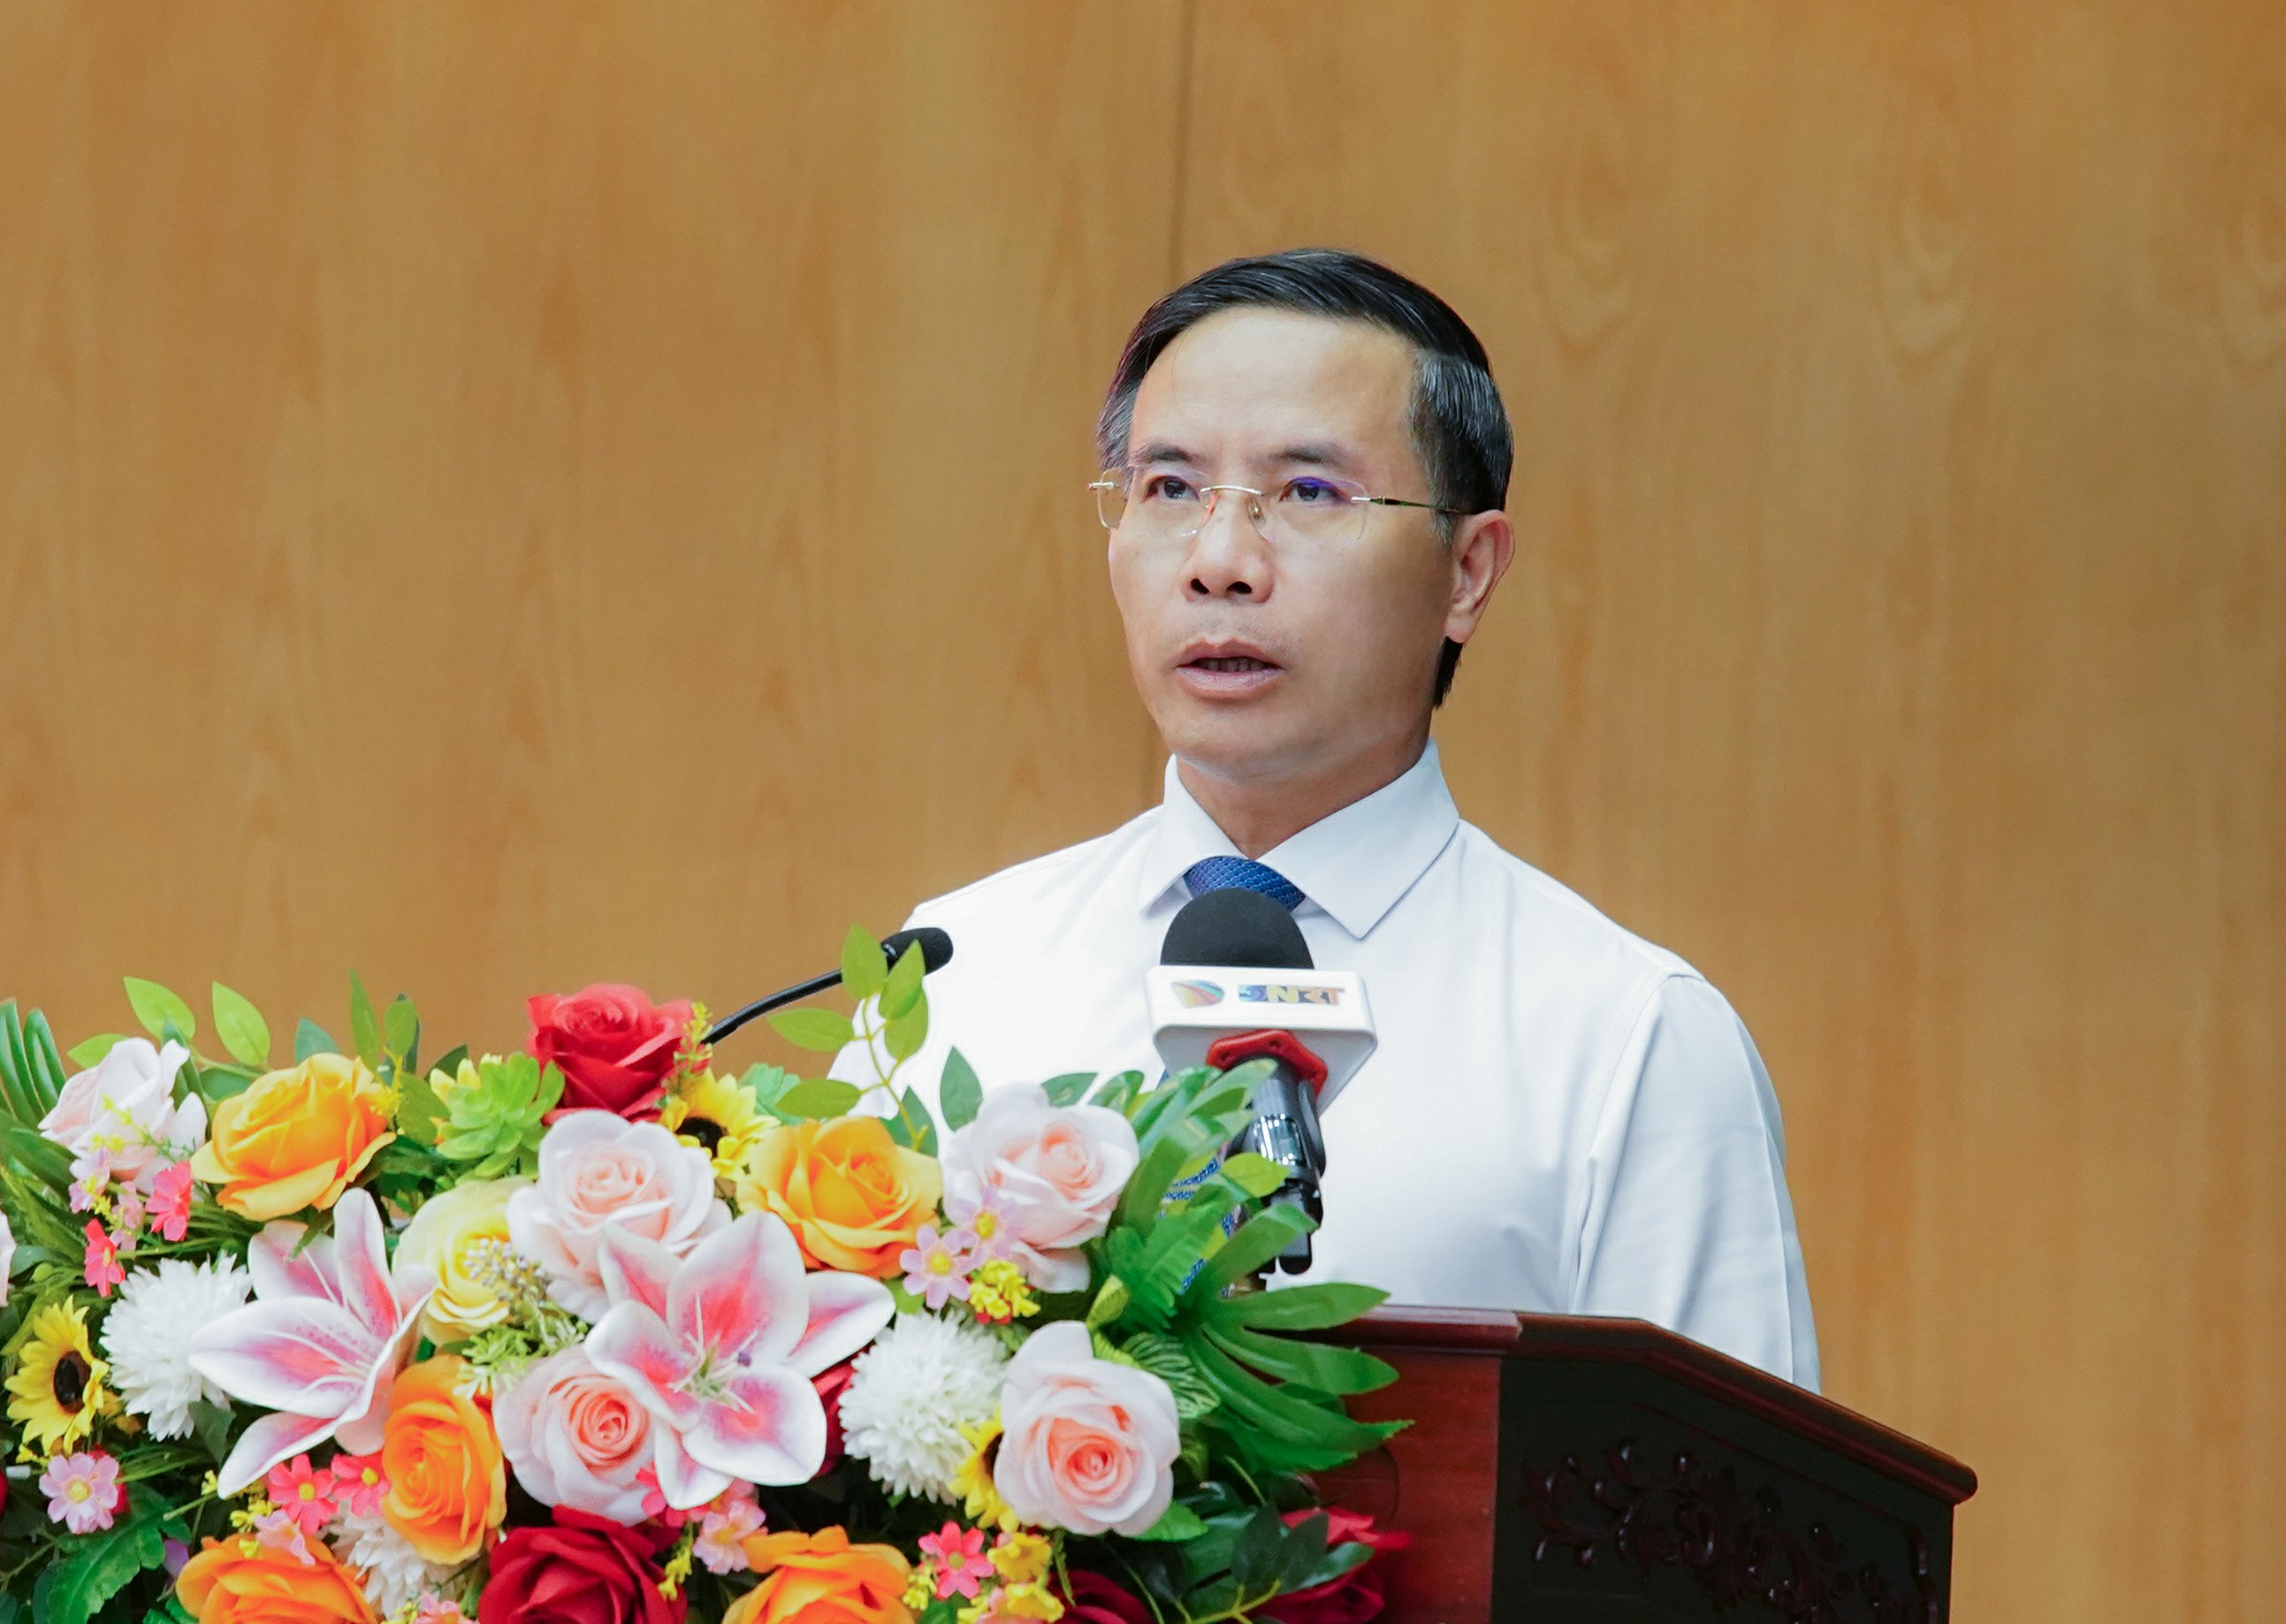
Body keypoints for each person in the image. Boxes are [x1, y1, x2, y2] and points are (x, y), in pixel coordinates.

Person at [848, 249, 1818, 1389]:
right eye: (1170, 490)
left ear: (1467, 571)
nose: (1219, 563)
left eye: (1310, 493)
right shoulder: (957, 970)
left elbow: (1730, 1493)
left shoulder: (1627, 1038)